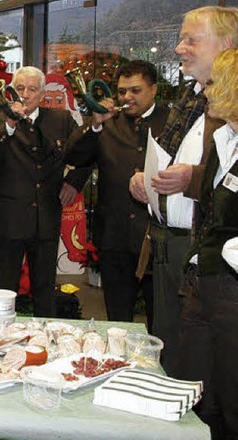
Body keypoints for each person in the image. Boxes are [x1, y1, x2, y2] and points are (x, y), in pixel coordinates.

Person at [128, 6, 238, 376]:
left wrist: (193, 176)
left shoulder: (228, 107)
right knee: (171, 349)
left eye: (191, 39)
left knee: (206, 367)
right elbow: (169, 152)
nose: (178, 48)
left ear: (226, 45)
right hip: (167, 242)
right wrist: (144, 177)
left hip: (210, 259)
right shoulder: (193, 95)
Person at [66, 60, 169, 329]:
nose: (127, 97)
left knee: (162, 317)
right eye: (122, 91)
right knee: (117, 320)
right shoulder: (107, 123)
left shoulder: (172, 122)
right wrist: (96, 124)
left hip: (158, 238)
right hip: (114, 239)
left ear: (154, 89)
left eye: (135, 90)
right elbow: (74, 156)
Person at [0, 66, 87, 317]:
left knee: (45, 288)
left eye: (32, 89)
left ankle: (43, 341)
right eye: (20, 88)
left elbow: (86, 152)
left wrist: (74, 181)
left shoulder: (60, 120)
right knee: (4, 291)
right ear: (10, 92)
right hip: (8, 221)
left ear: (42, 94)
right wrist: (9, 124)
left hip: (46, 218)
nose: (25, 94)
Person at [178, 48, 238, 439]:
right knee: (197, 395)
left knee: (233, 396)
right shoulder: (224, 140)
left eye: (214, 82)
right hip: (203, 283)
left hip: (232, 288)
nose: (205, 90)